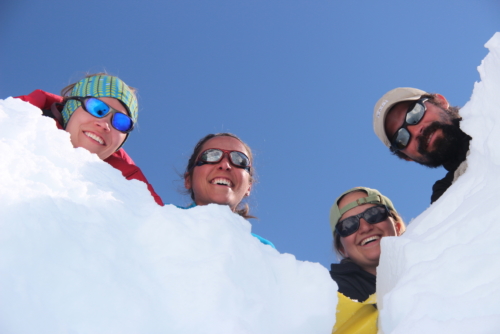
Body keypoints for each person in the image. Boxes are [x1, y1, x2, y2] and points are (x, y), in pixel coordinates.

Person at [15, 73, 163, 205]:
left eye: (121, 122)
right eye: (97, 108)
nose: (105, 124)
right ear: (70, 108)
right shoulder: (11, 132)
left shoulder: (135, 202)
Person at [373, 87, 472, 203]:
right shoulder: (445, 200)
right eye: (401, 138)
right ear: (407, 157)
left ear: (441, 101)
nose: (416, 132)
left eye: (415, 113)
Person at [329, 187, 405, 333]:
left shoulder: (437, 261)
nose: (365, 228)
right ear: (342, 249)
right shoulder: (330, 291)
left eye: (374, 214)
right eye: (348, 225)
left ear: (397, 225)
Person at [182, 133, 275, 248]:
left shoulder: (263, 249)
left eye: (240, 160)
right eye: (210, 156)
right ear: (188, 180)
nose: (225, 165)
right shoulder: (157, 218)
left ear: (248, 187)